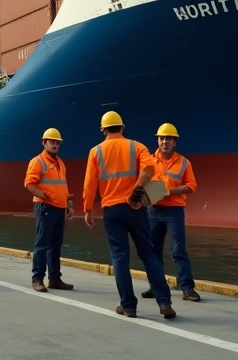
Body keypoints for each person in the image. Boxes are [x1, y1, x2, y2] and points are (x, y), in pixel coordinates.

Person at [82, 111, 176, 319]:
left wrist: (88, 209)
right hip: (135, 208)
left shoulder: (95, 152)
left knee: (120, 258)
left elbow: (90, 184)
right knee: (148, 254)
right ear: (123, 128)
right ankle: (164, 303)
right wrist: (139, 187)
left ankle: (128, 306)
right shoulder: (137, 146)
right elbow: (151, 167)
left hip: (112, 210)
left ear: (103, 130)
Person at [142, 123, 201, 302]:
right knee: (153, 251)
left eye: (168, 139)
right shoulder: (148, 161)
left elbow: (192, 186)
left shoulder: (184, 163)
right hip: (153, 210)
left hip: (174, 211)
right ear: (157, 140)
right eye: (162, 138)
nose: (165, 142)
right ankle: (156, 286)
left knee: (178, 250)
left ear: (174, 142)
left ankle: (187, 288)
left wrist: (170, 191)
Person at [25, 128, 75, 292]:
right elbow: (29, 183)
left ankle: (54, 279)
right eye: (52, 142)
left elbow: (64, 186)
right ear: (44, 143)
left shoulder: (60, 163)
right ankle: (37, 279)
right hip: (45, 207)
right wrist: (44, 197)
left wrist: (69, 205)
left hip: (59, 208)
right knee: (42, 244)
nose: (55, 144)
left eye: (57, 143)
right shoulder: (37, 161)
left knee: (55, 245)